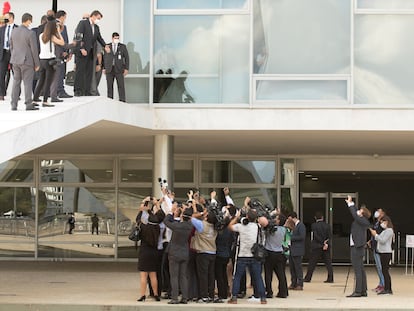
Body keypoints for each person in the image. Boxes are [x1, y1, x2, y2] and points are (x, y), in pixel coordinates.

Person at [227, 208, 267, 305]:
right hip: (254, 255)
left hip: (242, 255)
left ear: (247, 217)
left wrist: (237, 217)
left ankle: (234, 297)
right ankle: (263, 298)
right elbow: (264, 224)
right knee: (258, 277)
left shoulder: (241, 226)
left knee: (237, 276)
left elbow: (230, 226)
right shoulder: (258, 227)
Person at [163, 205, 194, 304]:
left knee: (174, 276)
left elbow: (166, 222)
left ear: (182, 216)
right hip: (185, 252)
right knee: (183, 276)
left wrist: (170, 212)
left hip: (174, 252)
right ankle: (185, 297)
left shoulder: (177, 226)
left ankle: (175, 297)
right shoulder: (190, 226)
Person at [9, 13, 40, 111]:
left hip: (15, 60)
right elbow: (34, 50)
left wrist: (13, 56)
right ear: (29, 20)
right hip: (27, 61)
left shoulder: (14, 31)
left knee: (16, 82)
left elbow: (11, 46)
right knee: (27, 83)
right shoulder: (30, 33)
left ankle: (14, 104)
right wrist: (37, 64)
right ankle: (28, 103)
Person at [33, 19, 65, 107]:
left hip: (42, 60)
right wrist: (58, 32)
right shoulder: (52, 36)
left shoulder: (41, 35)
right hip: (50, 61)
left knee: (41, 81)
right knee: (48, 81)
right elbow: (62, 42)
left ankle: (35, 99)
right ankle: (45, 101)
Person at [73, 10, 106, 96]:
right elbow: (78, 36)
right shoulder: (83, 23)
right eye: (98, 18)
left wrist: (105, 46)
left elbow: (99, 38)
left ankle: (87, 91)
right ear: (93, 16)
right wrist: (81, 48)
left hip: (91, 53)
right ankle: (78, 90)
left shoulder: (96, 27)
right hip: (82, 52)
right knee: (80, 71)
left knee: (89, 72)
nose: (98, 20)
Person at [136, 197, 162, 302]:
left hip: (144, 251)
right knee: (153, 275)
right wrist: (156, 204)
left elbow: (138, 218)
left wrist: (144, 202)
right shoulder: (158, 228)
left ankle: (142, 295)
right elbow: (160, 216)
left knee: (143, 275)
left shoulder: (144, 227)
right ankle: (156, 294)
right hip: (154, 252)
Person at [345, 195, 371, 298]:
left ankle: (358, 291)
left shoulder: (362, 220)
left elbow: (354, 214)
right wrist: (352, 203)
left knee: (357, 270)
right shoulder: (362, 220)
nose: (358, 211)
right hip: (358, 246)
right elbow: (355, 212)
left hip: (357, 247)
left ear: (362, 214)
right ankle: (363, 290)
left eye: (360, 210)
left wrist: (350, 204)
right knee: (361, 269)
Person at [259, 213, 289, 299]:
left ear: (279, 220)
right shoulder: (284, 229)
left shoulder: (272, 229)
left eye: (276, 218)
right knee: (281, 274)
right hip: (279, 253)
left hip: (269, 252)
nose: (274, 219)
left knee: (268, 274)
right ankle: (283, 292)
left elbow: (265, 226)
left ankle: (269, 292)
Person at [304, 211, 334, 283]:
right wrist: (326, 243)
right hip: (326, 246)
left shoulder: (314, 226)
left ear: (315, 218)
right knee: (328, 263)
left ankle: (308, 278)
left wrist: (321, 243)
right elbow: (330, 236)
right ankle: (330, 278)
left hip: (317, 246)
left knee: (312, 263)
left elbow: (315, 236)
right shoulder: (327, 225)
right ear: (322, 218)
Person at [369, 215, 394, 295]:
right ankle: (386, 288)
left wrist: (375, 235)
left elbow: (382, 240)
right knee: (384, 271)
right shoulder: (385, 230)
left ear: (386, 222)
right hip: (383, 252)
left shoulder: (389, 231)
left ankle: (388, 289)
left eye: (382, 222)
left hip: (386, 253)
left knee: (385, 271)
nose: (381, 224)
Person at [103, 32, 129, 102]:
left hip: (119, 69)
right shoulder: (107, 46)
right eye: (115, 38)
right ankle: (110, 102)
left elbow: (126, 58)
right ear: (112, 38)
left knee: (121, 86)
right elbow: (104, 57)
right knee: (109, 87)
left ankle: (122, 101)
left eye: (118, 38)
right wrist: (104, 68)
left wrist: (126, 68)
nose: (116, 39)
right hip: (109, 69)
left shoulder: (122, 47)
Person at [0, 11, 17, 100]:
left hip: (14, 53)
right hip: (4, 53)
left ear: (11, 18)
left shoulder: (17, 28)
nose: (5, 19)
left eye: (6, 17)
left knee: (16, 74)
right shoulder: (2, 29)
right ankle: (1, 94)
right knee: (1, 74)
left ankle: (16, 94)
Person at [287, 211, 306, 291]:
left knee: (298, 268)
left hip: (297, 249)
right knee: (292, 267)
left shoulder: (300, 226)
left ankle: (300, 284)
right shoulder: (292, 226)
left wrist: (291, 238)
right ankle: (293, 282)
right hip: (292, 249)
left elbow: (302, 237)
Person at [369, 208, 386, 293]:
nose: (376, 213)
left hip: (380, 248)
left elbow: (382, 234)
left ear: (382, 213)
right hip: (375, 247)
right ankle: (380, 283)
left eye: (379, 211)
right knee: (378, 268)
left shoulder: (383, 223)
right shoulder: (376, 223)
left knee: (381, 267)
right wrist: (370, 240)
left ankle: (383, 285)